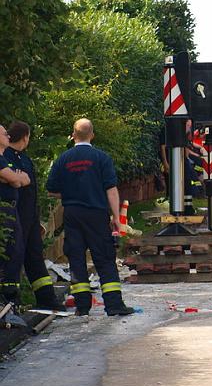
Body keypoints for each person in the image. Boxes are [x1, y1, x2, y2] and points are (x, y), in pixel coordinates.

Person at [46, 119, 134, 316]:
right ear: (92, 135)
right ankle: (113, 305)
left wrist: (70, 193)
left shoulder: (63, 159)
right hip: (96, 213)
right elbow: (111, 189)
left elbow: (51, 190)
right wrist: (116, 217)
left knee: (76, 258)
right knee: (103, 257)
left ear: (73, 135)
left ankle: (82, 306)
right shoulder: (101, 158)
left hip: (72, 215)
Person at [5, 122, 65, 311]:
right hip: (14, 217)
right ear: (25, 137)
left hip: (30, 217)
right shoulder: (5, 157)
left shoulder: (24, 159)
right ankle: (10, 301)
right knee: (13, 258)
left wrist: (36, 220)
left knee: (34, 256)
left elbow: (30, 189)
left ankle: (46, 297)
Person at [0, 123, 30, 311]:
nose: (8, 136)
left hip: (11, 209)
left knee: (16, 252)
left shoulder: (3, 159)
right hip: (4, 211)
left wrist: (13, 179)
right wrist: (13, 178)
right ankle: (8, 298)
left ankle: (11, 298)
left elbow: (22, 180)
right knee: (9, 252)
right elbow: (15, 180)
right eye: (4, 134)